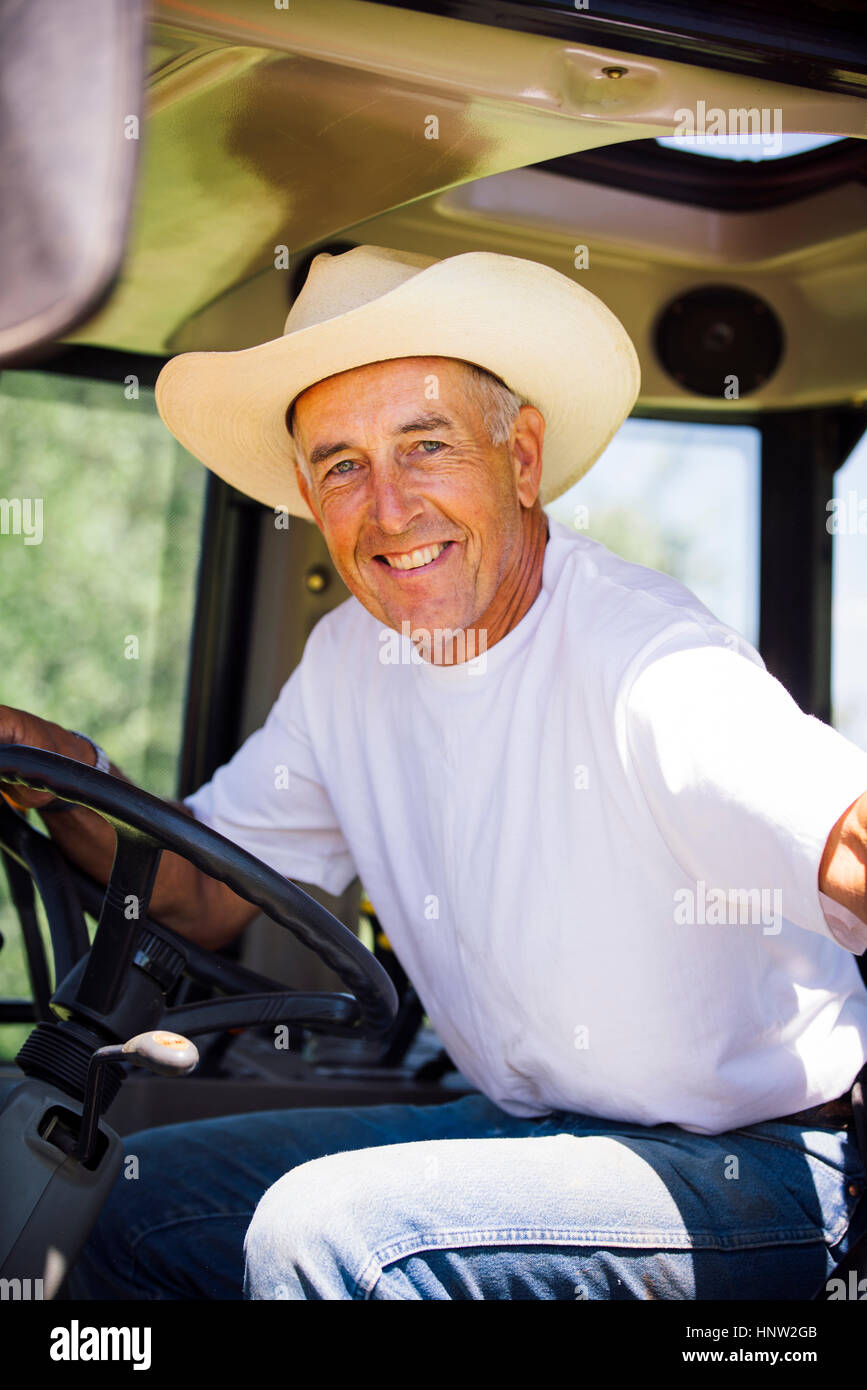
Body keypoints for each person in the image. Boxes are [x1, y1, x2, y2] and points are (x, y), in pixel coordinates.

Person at [5, 245, 867, 1300]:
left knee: (333, 1237)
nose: (391, 508)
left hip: (766, 1166)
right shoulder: (346, 669)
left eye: (426, 445)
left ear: (522, 457)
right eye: (342, 465)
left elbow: (849, 836)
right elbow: (196, 895)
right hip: (529, 1127)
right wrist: (62, 771)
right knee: (125, 1196)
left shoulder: (643, 658)